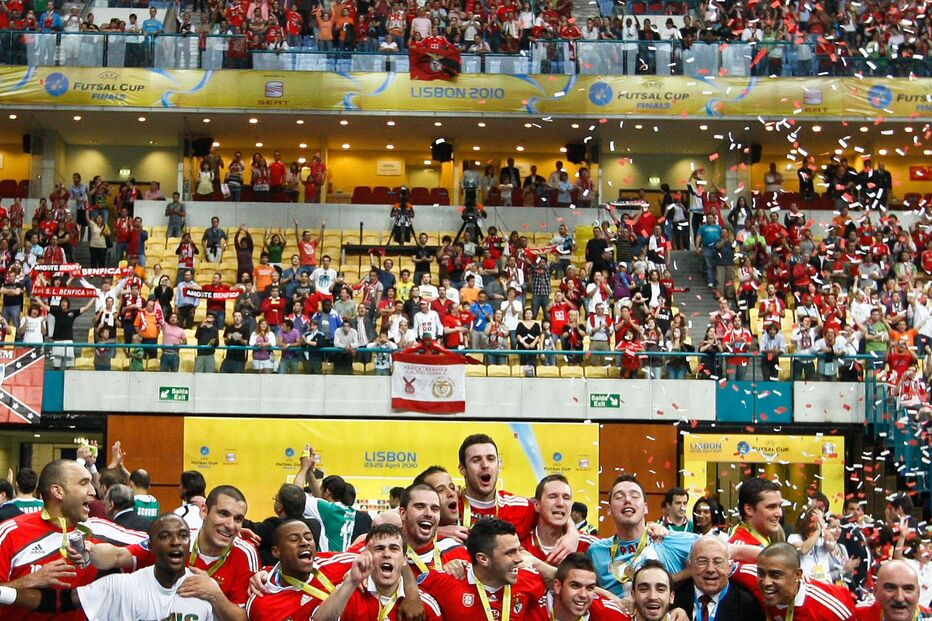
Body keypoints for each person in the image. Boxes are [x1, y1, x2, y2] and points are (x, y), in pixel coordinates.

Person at [0, 459, 147, 621]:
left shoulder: (101, 530)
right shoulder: (11, 532)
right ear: (58, 491)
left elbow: (160, 549)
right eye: (84, 483)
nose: (93, 491)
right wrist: (29, 580)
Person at [3, 514, 215, 621]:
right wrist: (4, 592)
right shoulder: (120, 586)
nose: (176, 542)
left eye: (183, 536)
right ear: (150, 545)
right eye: (165, 536)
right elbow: (54, 602)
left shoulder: (207, 589)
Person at [86, 485, 259, 613]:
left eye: (238, 519)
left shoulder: (246, 553)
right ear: (204, 511)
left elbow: (244, 618)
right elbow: (118, 556)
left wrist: (214, 594)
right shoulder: (179, 539)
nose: (230, 525)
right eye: (223, 514)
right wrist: (88, 551)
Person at [587, 474, 697, 598]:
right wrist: (609, 596)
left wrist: (672, 579)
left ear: (645, 508)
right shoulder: (596, 551)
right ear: (609, 509)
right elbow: (580, 585)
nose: (627, 500)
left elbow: (719, 550)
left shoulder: (667, 540)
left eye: (634, 496)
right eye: (619, 496)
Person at [418, 517, 548, 621]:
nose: (520, 559)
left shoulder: (531, 579)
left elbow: (562, 581)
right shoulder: (445, 581)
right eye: (510, 553)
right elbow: (405, 590)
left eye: (519, 550)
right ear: (483, 559)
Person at [314, 524, 442, 621]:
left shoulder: (425, 604)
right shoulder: (348, 593)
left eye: (394, 549)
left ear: (404, 560)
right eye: (379, 549)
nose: (386, 554)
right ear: (367, 556)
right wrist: (352, 581)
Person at [244, 520, 348, 620]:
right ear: (276, 552)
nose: (304, 542)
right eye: (294, 539)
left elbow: (362, 550)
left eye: (309, 537)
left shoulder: (335, 563)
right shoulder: (262, 602)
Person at [731, 543, 857, 621]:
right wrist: (735, 549)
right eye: (761, 573)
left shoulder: (832, 607)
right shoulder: (752, 576)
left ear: (797, 575)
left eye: (776, 575)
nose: (766, 582)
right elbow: (723, 558)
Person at [673, 536, 764, 621]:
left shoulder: (748, 605)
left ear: (729, 567)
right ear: (690, 566)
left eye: (718, 562)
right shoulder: (673, 597)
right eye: (702, 562)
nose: (710, 569)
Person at [294, 445, 357, 552]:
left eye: (321, 489)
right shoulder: (348, 509)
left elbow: (295, 495)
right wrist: (309, 472)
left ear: (328, 492)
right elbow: (320, 497)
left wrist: (303, 468)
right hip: (342, 559)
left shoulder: (329, 510)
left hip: (329, 559)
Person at [522, 474, 598, 562]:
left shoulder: (589, 545)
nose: (560, 503)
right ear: (537, 505)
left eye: (566, 498)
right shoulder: (518, 542)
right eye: (553, 497)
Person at [243, 483, 322, 567]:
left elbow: (248, 526)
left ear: (280, 506)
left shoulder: (275, 526)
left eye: (276, 500)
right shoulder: (315, 524)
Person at [547, 554, 629, 620]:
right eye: (575, 586)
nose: (583, 595)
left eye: (590, 588)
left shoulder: (611, 615)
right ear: (558, 586)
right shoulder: (536, 607)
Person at [854, 559, 929, 620]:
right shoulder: (858, 616)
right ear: (875, 591)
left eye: (908, 589)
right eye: (890, 588)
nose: (899, 598)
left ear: (918, 593)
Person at [729, 478, 784, 547]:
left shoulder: (762, 540)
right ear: (749, 509)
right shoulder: (742, 550)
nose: (779, 514)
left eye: (780, 506)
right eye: (771, 507)